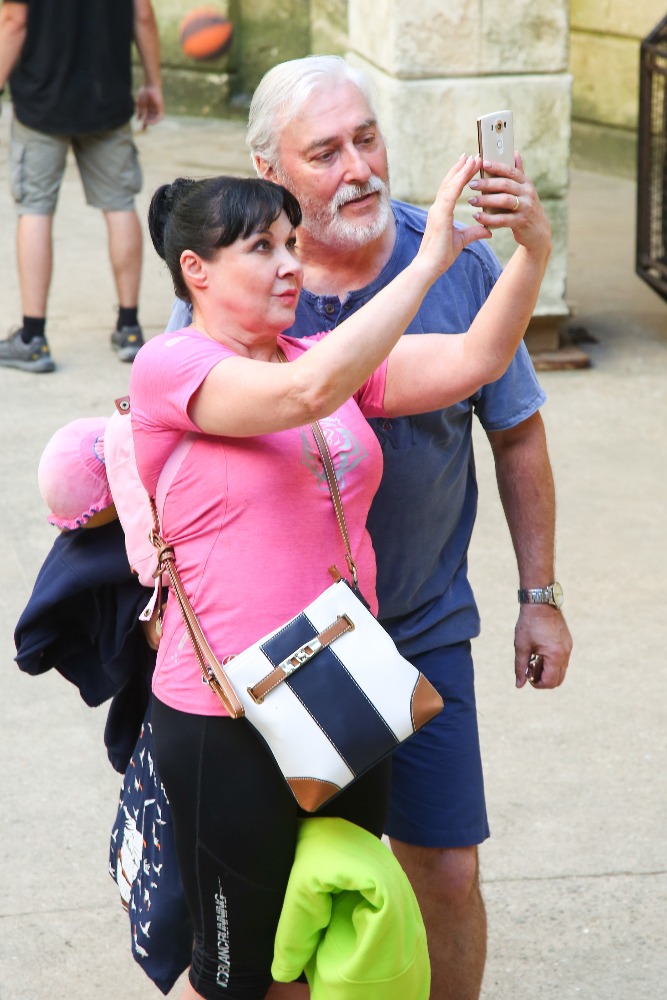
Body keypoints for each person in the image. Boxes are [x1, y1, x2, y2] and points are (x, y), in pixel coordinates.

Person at [131, 160, 551, 1000]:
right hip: (224, 713)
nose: (290, 263)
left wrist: (532, 252)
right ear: (196, 270)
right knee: (237, 973)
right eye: (262, 247)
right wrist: (427, 263)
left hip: (341, 691)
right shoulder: (171, 366)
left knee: (331, 941)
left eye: (292, 243)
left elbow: (476, 356)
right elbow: (303, 394)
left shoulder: (323, 354)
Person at [242, 56, 573, 1000]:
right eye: (325, 152)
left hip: (421, 625)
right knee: (289, 887)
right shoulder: (242, 278)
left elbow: (514, 430)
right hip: (284, 646)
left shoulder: (458, 261)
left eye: (366, 138)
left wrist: (539, 596)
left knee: (446, 870)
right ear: (270, 169)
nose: (358, 168)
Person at [0, 0, 163, 373]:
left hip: (41, 100)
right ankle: (129, 329)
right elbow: (142, 14)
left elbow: (13, 19)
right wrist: (153, 83)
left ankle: (33, 338)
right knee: (120, 204)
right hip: (107, 96)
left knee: (35, 209)